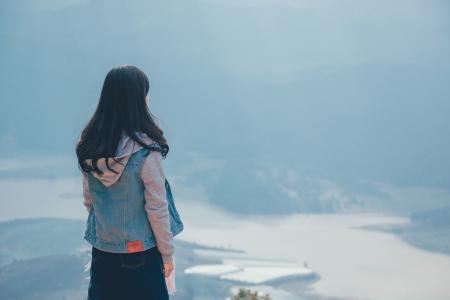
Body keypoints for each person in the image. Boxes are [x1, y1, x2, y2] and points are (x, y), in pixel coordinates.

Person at [75, 65, 183, 300]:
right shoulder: (146, 151)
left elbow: (89, 201)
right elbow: (156, 208)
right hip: (142, 255)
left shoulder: (90, 146)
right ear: (138, 99)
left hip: (103, 252)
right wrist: (167, 254)